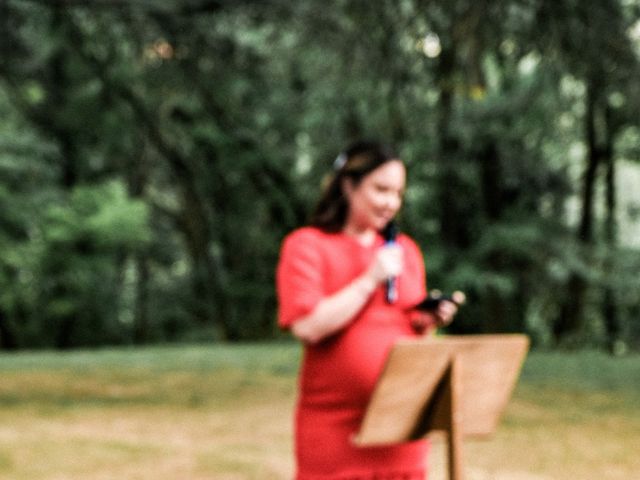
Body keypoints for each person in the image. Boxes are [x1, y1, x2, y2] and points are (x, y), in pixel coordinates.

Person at [276, 140, 458, 479]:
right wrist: (369, 278)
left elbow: (406, 328)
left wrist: (427, 320)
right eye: (381, 190)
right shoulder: (307, 245)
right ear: (348, 185)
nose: (391, 203)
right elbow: (307, 326)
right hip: (337, 434)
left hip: (402, 430)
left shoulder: (405, 251)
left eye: (398, 193)